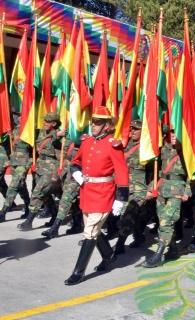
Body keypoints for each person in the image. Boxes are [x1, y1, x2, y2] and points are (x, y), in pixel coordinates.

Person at [64, 106, 129, 285]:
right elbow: (76, 161)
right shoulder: (87, 141)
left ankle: (78, 272)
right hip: (87, 191)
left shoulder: (113, 144)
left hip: (103, 193)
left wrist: (121, 198)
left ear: (107, 125)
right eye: (93, 121)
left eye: (98, 122)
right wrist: (76, 172)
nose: (94, 125)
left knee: (90, 232)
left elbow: (122, 171)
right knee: (94, 229)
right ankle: (109, 257)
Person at [142, 128, 191, 267]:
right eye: (172, 133)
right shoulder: (164, 149)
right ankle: (173, 249)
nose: (174, 136)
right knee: (164, 219)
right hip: (163, 188)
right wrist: (152, 187)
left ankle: (158, 255)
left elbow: (193, 174)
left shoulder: (188, 152)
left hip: (177, 189)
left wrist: (187, 191)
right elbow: (160, 172)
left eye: (177, 133)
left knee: (166, 221)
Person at [114, 120, 155, 255]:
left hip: (139, 189)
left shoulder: (147, 149)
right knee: (133, 216)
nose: (132, 132)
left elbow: (156, 172)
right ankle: (139, 237)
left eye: (136, 129)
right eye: (131, 129)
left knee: (128, 215)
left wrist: (150, 189)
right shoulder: (125, 145)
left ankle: (120, 243)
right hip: (125, 186)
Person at [18, 112, 64, 230]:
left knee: (38, 192)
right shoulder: (42, 132)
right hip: (40, 167)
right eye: (44, 120)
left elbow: (64, 152)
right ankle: (55, 216)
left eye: (47, 121)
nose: (44, 123)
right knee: (47, 195)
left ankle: (29, 221)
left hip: (52, 169)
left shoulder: (61, 135)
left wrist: (57, 136)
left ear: (54, 123)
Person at [0, 113, 31, 222]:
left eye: (21, 115)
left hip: (24, 162)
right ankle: (28, 206)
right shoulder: (14, 129)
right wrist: (9, 134)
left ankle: (3, 212)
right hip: (14, 162)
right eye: (18, 115)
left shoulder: (30, 130)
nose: (19, 118)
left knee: (14, 185)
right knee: (21, 186)